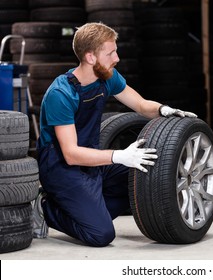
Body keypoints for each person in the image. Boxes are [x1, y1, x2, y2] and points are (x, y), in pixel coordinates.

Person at [31, 22, 197, 247]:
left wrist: (163, 110)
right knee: (101, 234)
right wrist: (118, 156)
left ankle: (86, 206)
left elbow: (140, 104)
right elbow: (70, 154)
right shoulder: (61, 94)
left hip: (90, 158)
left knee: (145, 172)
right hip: (60, 166)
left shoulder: (107, 77)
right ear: (91, 57)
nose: (117, 58)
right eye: (110, 53)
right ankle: (45, 209)